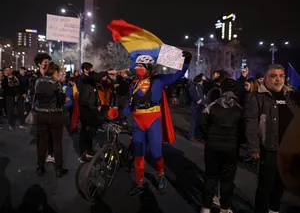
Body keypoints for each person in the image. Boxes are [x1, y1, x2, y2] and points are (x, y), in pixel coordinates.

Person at [123, 52, 191, 196]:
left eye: (141, 66)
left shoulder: (159, 80)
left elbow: (177, 75)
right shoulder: (133, 84)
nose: (138, 68)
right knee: (138, 154)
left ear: (148, 67)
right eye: (137, 65)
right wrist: (120, 115)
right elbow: (129, 104)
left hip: (153, 120)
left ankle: (160, 174)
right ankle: (139, 183)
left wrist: (186, 61)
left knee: (155, 153)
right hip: (137, 122)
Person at [244, 64, 298, 213]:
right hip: (269, 148)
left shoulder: (290, 96)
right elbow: (251, 122)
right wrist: (253, 147)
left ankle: (274, 209)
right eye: (274, 76)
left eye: (281, 76)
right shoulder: (257, 97)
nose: (278, 79)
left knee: (281, 184)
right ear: (266, 78)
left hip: (287, 150)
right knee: (265, 186)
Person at [200, 79, 243, 213]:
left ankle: (206, 207)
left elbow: (202, 125)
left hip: (212, 146)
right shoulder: (240, 109)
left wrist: (209, 137)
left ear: (221, 90)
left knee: (210, 177)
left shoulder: (211, 106)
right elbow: (243, 131)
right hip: (231, 148)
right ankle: (225, 208)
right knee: (227, 180)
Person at [33, 62, 68, 178]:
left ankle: (40, 167)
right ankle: (58, 169)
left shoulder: (38, 81)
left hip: (41, 114)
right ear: (55, 72)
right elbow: (60, 101)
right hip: (54, 116)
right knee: (57, 142)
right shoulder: (56, 83)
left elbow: (35, 97)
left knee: (42, 142)